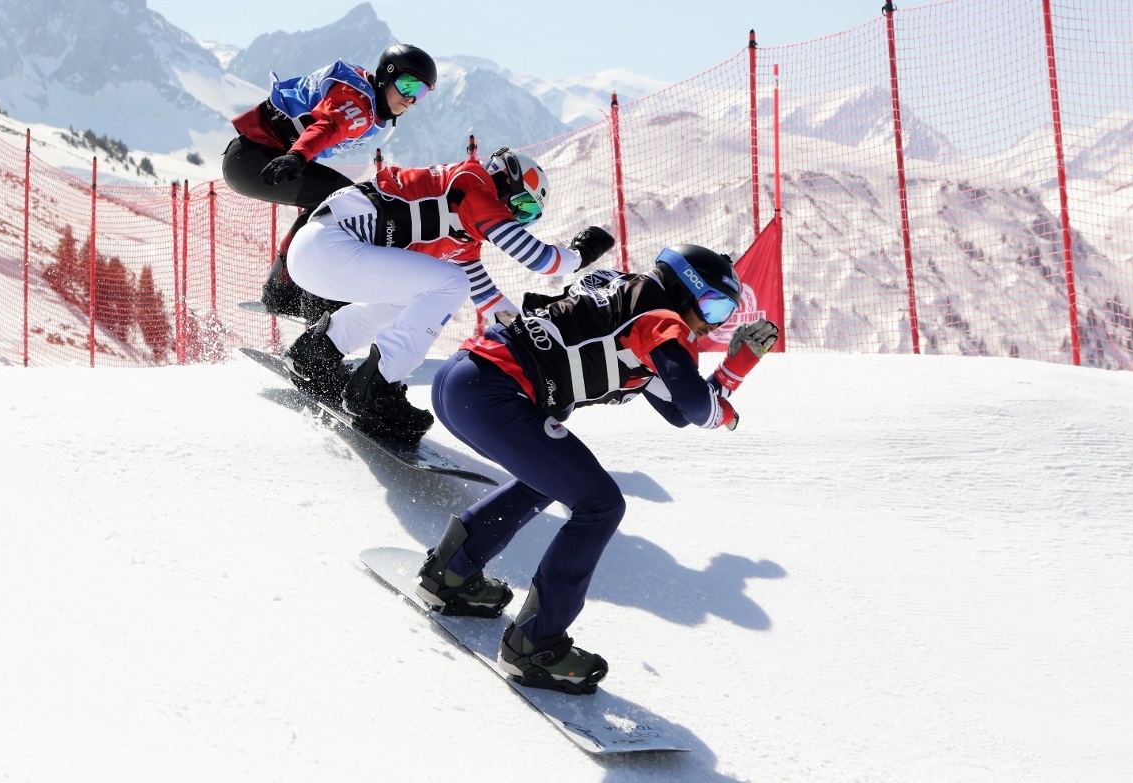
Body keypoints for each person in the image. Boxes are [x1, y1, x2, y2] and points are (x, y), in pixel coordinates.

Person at [414, 244, 780, 694]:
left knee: (550, 482)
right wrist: (729, 405)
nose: (715, 324)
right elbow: (698, 408)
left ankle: (450, 574)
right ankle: (534, 646)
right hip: (492, 394)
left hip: (467, 382)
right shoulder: (662, 320)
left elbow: (678, 410)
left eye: (726, 313)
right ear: (686, 289)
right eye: (714, 306)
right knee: (601, 504)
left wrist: (731, 371)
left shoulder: (637, 301)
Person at [280, 146, 617, 444]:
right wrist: (579, 256)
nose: (518, 219)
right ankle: (374, 390)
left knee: (417, 293)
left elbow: (490, 301)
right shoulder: (473, 185)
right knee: (450, 283)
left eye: (528, 217)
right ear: (506, 181)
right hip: (329, 246)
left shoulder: (461, 232)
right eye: (522, 207)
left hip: (319, 253)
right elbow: (539, 259)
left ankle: (315, 355)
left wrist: (532, 347)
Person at [222, 45, 438, 320]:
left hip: (256, 156)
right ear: (387, 75)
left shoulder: (367, 98)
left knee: (336, 201)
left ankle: (284, 291)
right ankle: (303, 295)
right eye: (408, 85)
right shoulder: (359, 105)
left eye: (421, 92)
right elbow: (328, 127)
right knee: (343, 202)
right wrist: (298, 156)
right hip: (256, 160)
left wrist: (297, 156)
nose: (410, 98)